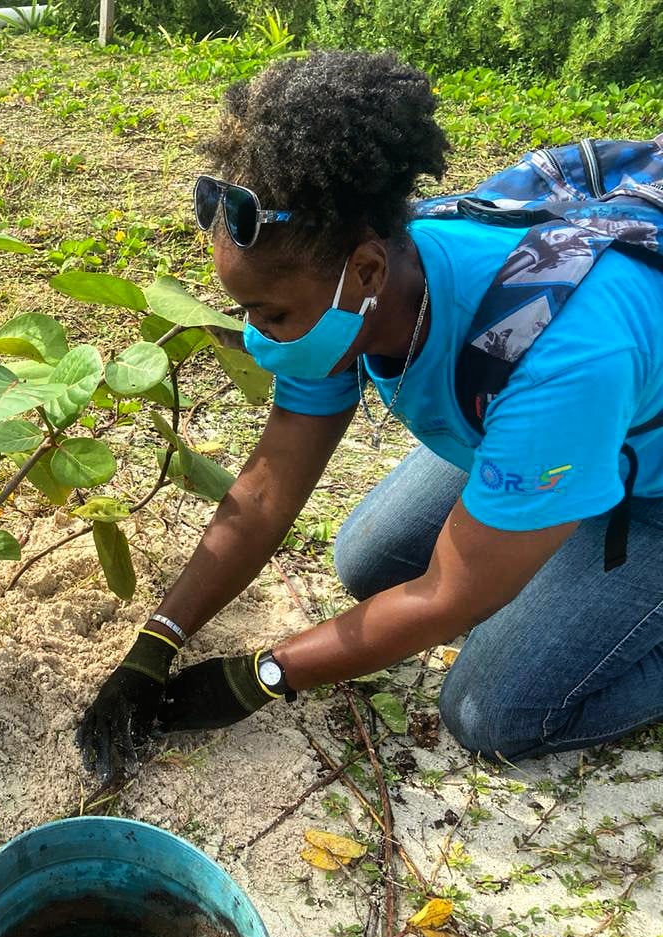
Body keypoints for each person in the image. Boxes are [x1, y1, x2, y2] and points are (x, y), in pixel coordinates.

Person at [77, 51, 663, 785]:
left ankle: (569, 522)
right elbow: (264, 491)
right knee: (369, 565)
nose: (255, 334)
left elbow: (450, 597)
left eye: (271, 313)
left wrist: (263, 675)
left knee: (491, 713)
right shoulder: (351, 281)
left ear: (367, 273)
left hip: (649, 491)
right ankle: (546, 507)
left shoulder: (559, 356)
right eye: (244, 308)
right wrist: (156, 640)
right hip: (549, 435)